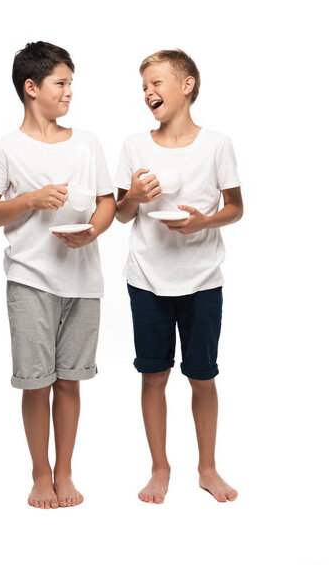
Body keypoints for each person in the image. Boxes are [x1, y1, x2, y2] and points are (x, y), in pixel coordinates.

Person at [0, 41, 115, 509]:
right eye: (61, 83)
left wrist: (93, 230)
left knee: (70, 380)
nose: (69, 92)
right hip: (30, 279)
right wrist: (31, 200)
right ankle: (39, 474)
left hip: (83, 281)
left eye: (71, 83)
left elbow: (106, 200)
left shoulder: (87, 142)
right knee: (36, 382)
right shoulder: (3, 149)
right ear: (31, 88)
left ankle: (65, 470)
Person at [114, 49, 243, 504]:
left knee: (202, 376)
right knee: (153, 376)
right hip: (146, 279)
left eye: (156, 83)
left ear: (186, 85)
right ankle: (160, 468)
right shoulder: (134, 145)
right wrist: (133, 194)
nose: (149, 92)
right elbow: (122, 215)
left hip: (203, 280)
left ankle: (207, 468)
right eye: (144, 86)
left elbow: (236, 207)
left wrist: (203, 222)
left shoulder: (218, 144)